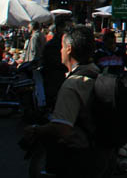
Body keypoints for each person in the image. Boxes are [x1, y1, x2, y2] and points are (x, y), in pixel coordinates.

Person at [22, 25, 108, 177]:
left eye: (62, 47)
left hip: (78, 159)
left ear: (69, 49)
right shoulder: (96, 72)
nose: (60, 51)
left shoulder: (73, 84)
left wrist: (36, 130)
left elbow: (62, 129)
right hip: (100, 154)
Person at [41, 18, 69, 109]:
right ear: (58, 29)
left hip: (58, 76)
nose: (66, 31)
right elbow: (53, 61)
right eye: (64, 28)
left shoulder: (62, 43)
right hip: (54, 76)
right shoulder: (54, 44)